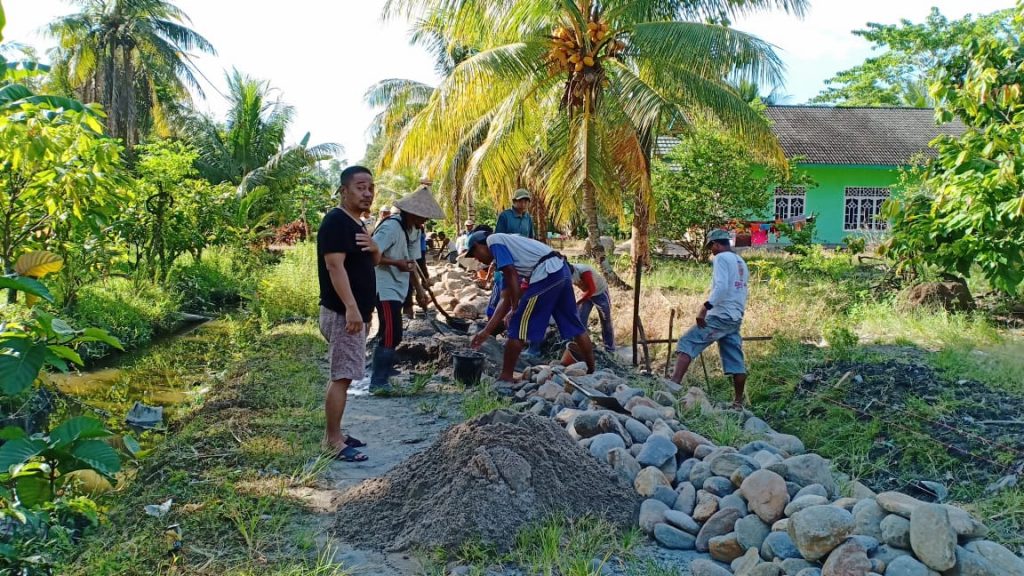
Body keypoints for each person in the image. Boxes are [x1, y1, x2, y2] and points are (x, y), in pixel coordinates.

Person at [464, 231, 596, 383]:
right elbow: (505, 298)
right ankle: (592, 371)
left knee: (518, 325)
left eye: (475, 255)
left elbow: (512, 276)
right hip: (561, 271)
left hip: (547, 273)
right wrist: (486, 331)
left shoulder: (494, 240)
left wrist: (515, 310)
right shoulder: (510, 255)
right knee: (575, 325)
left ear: (478, 245)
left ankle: (506, 377)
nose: (477, 259)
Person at [317, 166, 381, 462]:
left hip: (356, 314)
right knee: (341, 376)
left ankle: (338, 433)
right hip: (345, 314)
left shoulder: (357, 224)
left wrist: (375, 248)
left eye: (370, 187)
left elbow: (371, 262)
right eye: (360, 187)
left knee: (346, 374)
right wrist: (352, 308)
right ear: (344, 190)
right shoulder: (336, 222)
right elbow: (334, 267)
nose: (367, 193)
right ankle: (332, 441)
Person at [370, 186, 445, 393]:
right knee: (392, 331)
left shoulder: (414, 230)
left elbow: (412, 263)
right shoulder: (391, 228)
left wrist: (420, 291)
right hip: (383, 285)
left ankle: (385, 368)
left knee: (391, 330)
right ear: (411, 212)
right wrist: (396, 263)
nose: (426, 221)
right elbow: (371, 254)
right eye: (423, 216)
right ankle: (378, 380)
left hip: (399, 285)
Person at [669, 229, 750, 407]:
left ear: (716, 244)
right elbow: (741, 290)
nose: (711, 251)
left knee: (687, 343)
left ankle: (672, 387)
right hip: (735, 317)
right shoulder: (740, 261)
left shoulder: (721, 258)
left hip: (720, 315)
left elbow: (721, 287)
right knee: (735, 358)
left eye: (711, 247)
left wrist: (704, 308)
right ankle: (738, 402)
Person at [572, 261, 615, 353]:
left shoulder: (585, 272)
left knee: (605, 320)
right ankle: (581, 345)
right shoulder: (568, 272)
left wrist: (578, 302)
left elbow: (592, 289)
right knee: (580, 319)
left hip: (600, 293)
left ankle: (609, 348)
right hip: (586, 293)